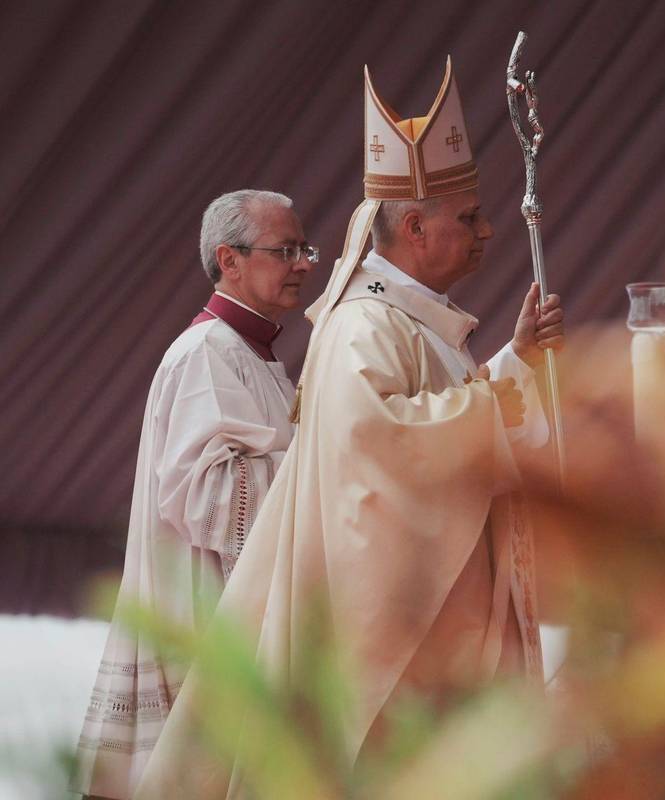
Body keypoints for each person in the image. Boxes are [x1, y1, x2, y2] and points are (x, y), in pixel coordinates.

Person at [135, 58, 564, 797]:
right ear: (415, 226)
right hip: (398, 639)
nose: (488, 230)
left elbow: (439, 417)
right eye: (468, 217)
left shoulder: (415, 325)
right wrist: (492, 410)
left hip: (444, 621)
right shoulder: (362, 326)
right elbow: (378, 450)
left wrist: (514, 362)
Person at [74, 190, 317, 799]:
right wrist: (320, 462)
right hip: (205, 620)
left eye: (303, 249)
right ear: (229, 260)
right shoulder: (207, 351)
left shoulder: (252, 355)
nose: (302, 264)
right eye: (284, 250)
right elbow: (206, 497)